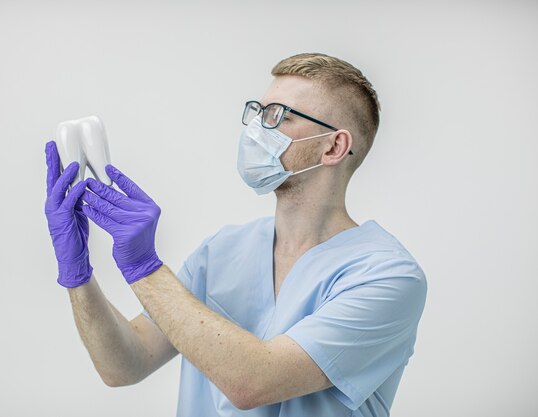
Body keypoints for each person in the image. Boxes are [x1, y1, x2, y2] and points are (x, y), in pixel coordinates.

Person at [44, 52, 427, 417]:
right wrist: (78, 275)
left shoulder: (387, 277)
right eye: (258, 112)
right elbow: (125, 364)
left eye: (278, 116)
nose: (257, 129)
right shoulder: (222, 251)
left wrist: (143, 267)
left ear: (334, 146)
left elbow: (254, 383)